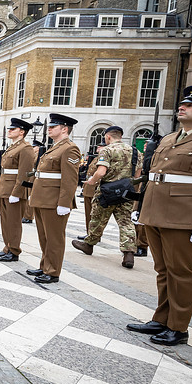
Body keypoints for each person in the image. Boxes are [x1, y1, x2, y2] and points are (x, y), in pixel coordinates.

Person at [127, 85, 192, 346]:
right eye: (182, 103)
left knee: (181, 272)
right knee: (162, 269)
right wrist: (139, 209)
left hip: (184, 216)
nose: (182, 107)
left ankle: (178, 326)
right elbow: (153, 178)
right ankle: (161, 318)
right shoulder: (168, 139)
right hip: (155, 213)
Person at [26, 114, 82, 283]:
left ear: (64, 129)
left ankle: (53, 271)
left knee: (54, 237)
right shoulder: (55, 147)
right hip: (43, 197)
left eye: (53, 126)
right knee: (44, 236)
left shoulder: (70, 148)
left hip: (54, 200)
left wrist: (64, 203)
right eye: (49, 126)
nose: (49, 128)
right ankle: (45, 265)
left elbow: (70, 179)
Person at [72, 126, 137, 268]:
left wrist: (91, 181)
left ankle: (89, 244)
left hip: (107, 190)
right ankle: (129, 253)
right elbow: (137, 173)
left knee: (98, 218)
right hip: (126, 191)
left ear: (108, 137)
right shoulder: (134, 150)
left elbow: (101, 172)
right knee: (126, 221)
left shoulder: (107, 150)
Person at [0, 118, 36, 262]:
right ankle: (7, 247)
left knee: (14, 222)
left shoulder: (26, 148)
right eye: (9, 129)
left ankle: (14, 250)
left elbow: (24, 172)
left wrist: (17, 193)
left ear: (22, 132)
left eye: (13, 129)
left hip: (14, 190)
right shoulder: (13, 147)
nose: (9, 131)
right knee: (5, 221)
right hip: (5, 187)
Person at [79, 142, 106, 238]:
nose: (98, 147)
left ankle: (94, 235)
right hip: (89, 187)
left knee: (95, 213)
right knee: (88, 212)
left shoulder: (104, 158)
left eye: (101, 146)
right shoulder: (96, 158)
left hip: (95, 187)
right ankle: (89, 233)